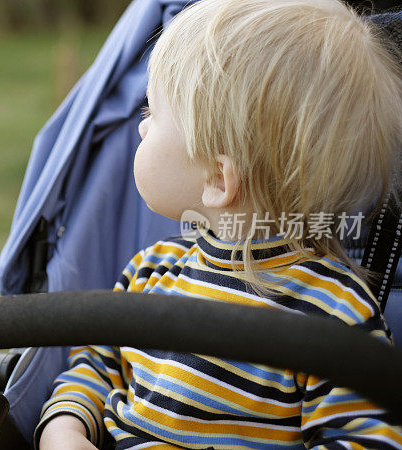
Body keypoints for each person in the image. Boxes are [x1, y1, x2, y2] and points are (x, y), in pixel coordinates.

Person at [36, 0, 402, 448]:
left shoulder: (333, 312)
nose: (140, 129)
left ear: (216, 178)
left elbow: (365, 438)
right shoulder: (152, 271)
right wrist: (65, 427)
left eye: (152, 114)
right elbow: (96, 364)